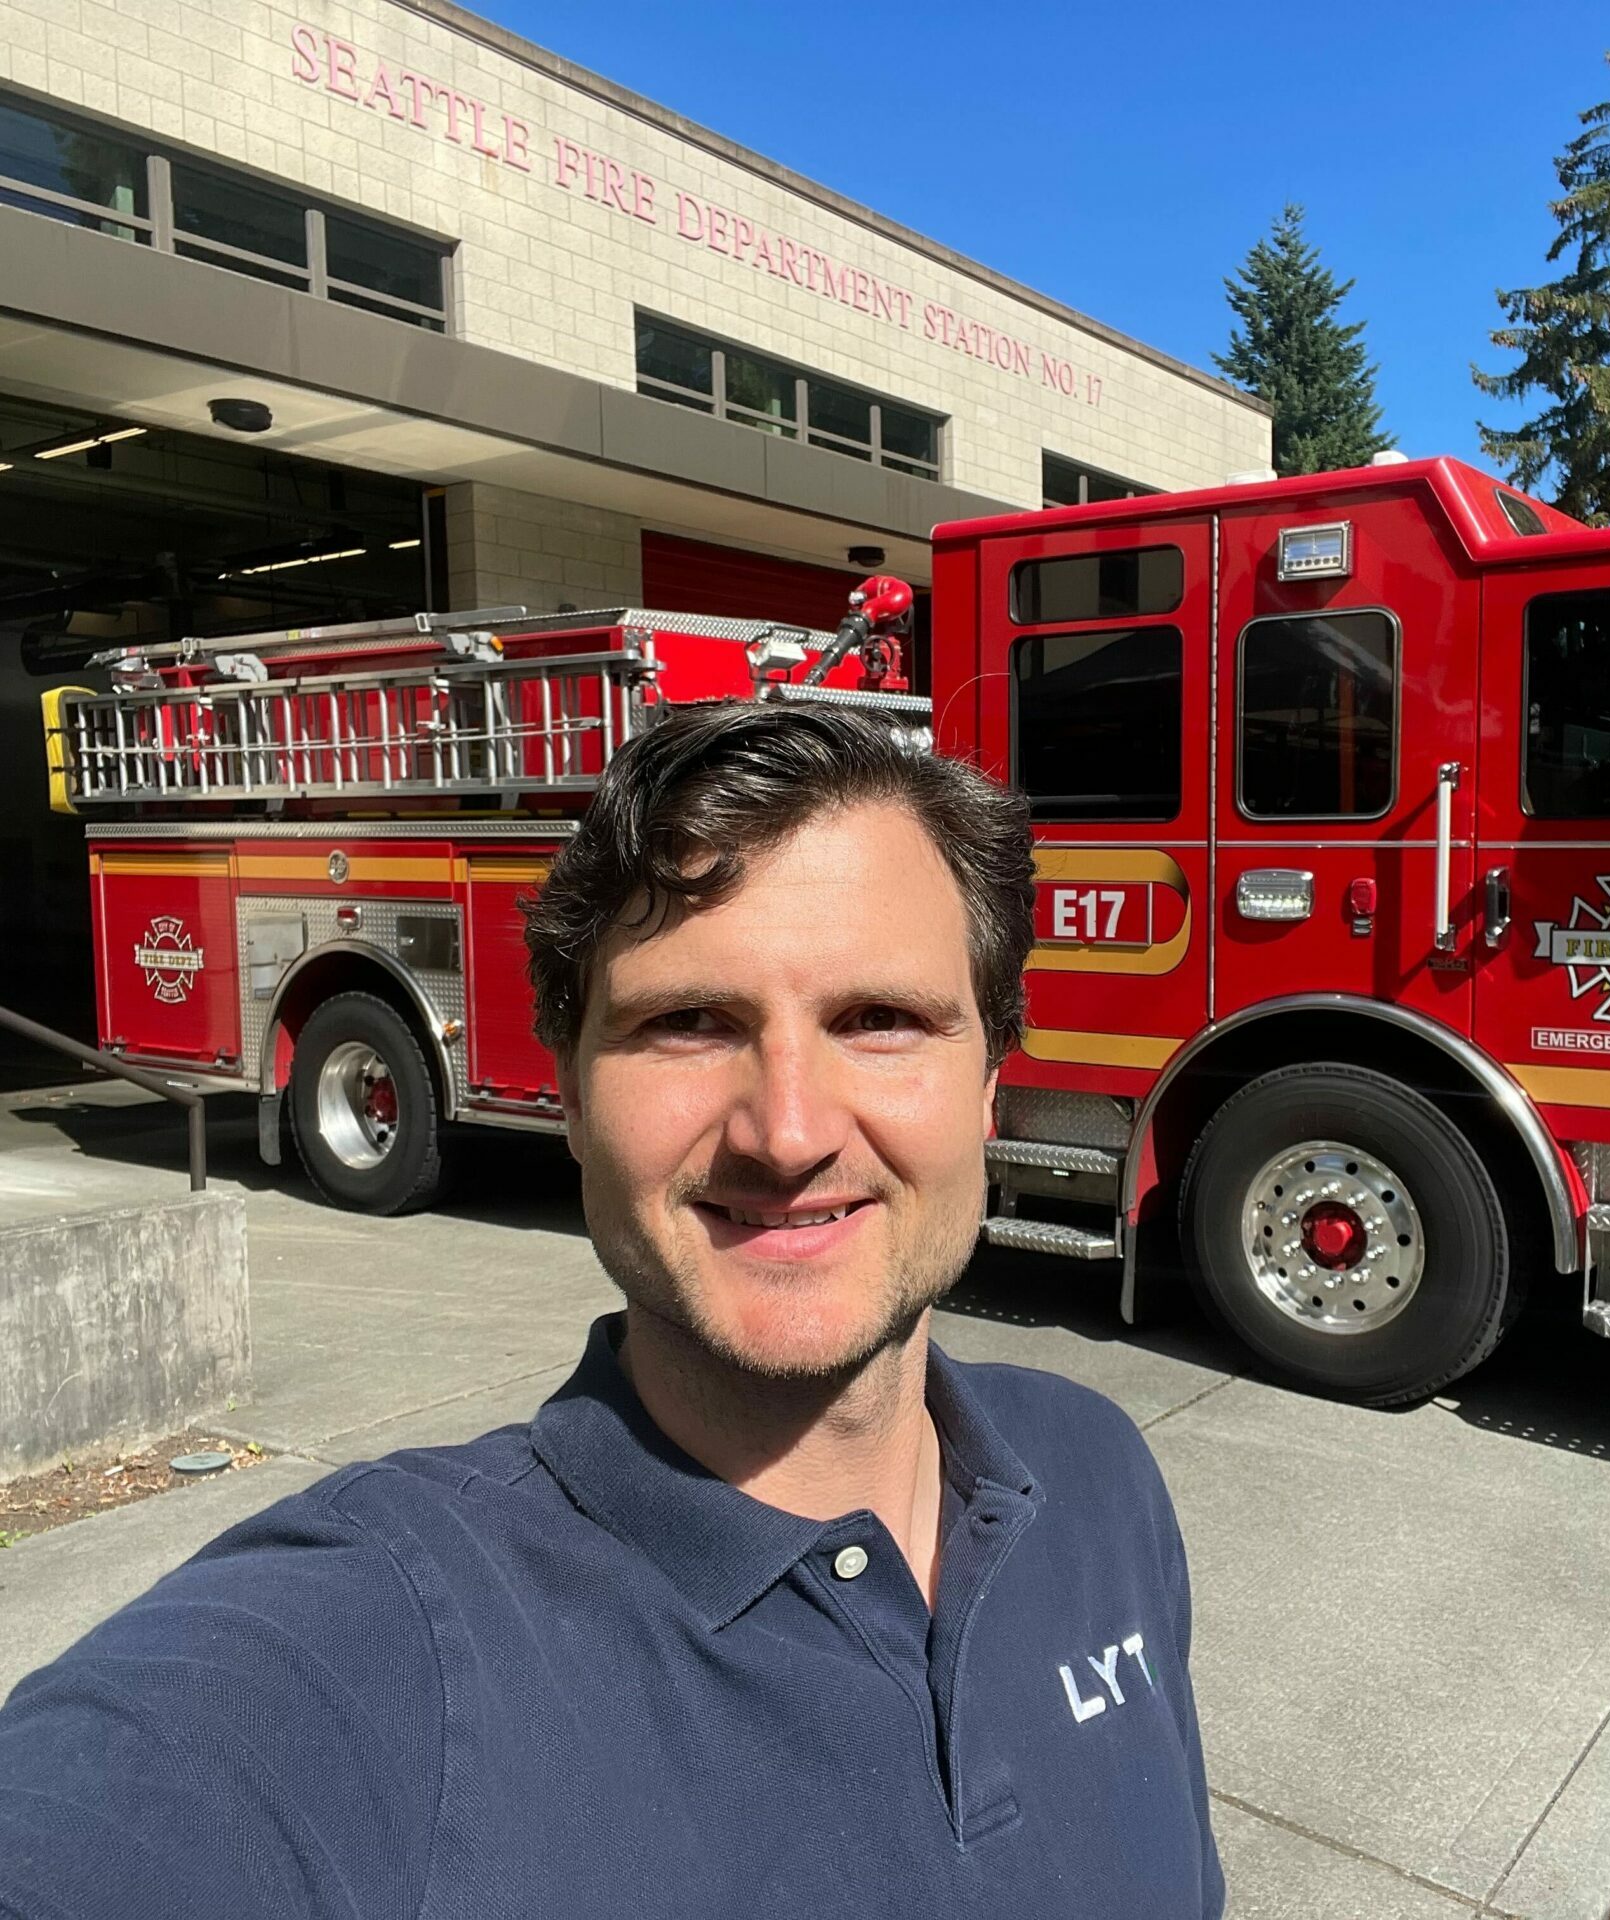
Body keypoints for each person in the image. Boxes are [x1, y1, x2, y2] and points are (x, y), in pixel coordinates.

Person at [0, 701, 1225, 1918]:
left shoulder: (1102, 1481)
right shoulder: (374, 1647)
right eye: (688, 1023)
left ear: (990, 1085)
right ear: (573, 1096)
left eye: (879, 1020)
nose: (787, 1133)